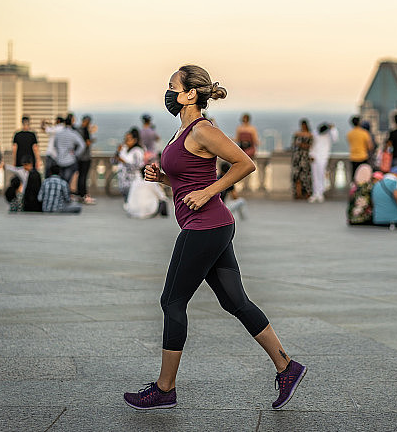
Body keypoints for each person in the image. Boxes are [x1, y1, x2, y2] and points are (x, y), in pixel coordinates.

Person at [124, 64, 305, 411]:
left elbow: (244, 163)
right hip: (210, 225)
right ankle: (287, 366)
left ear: (191, 93)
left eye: (172, 86)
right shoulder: (183, 131)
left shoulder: (204, 129)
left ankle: (165, 389)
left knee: (172, 302)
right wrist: (162, 178)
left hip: (205, 225)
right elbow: (187, 178)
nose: (168, 91)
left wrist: (208, 193)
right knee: (235, 301)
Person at [52, 115, 85, 185]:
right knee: (66, 182)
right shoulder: (73, 134)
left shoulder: (58, 134)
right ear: (71, 123)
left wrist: (59, 152)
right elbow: (82, 145)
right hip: (70, 160)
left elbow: (55, 145)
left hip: (59, 160)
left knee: (60, 182)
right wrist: (76, 154)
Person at [309, 122, 337, 203]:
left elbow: (335, 138)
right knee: (314, 175)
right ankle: (315, 193)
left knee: (321, 174)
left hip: (323, 157)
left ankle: (320, 193)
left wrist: (333, 128)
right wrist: (311, 154)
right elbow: (311, 144)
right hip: (315, 156)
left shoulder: (329, 134)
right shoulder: (314, 133)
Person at [116, 128, 145, 201]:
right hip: (123, 182)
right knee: (126, 202)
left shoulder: (138, 151)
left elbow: (137, 166)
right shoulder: (124, 149)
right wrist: (117, 152)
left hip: (133, 182)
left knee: (132, 202)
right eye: (125, 139)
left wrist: (124, 162)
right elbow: (113, 161)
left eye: (128, 139)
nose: (125, 142)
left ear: (134, 140)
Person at [290, 119, 313, 199]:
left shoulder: (310, 135)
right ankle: (297, 193)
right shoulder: (297, 134)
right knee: (297, 176)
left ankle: (306, 193)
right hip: (297, 157)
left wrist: (301, 145)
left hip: (304, 157)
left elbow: (310, 146)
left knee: (305, 176)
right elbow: (293, 144)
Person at [76, 115, 96, 204]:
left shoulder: (77, 129)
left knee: (80, 176)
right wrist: (92, 140)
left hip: (78, 156)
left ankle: (80, 194)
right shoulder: (85, 130)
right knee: (83, 176)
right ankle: (83, 195)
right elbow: (87, 143)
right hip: (85, 157)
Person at [347, 116, 373, 180]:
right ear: (359, 123)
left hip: (353, 157)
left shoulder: (349, 134)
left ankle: (354, 189)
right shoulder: (364, 133)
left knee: (354, 177)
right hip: (363, 157)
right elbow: (370, 147)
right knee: (364, 177)